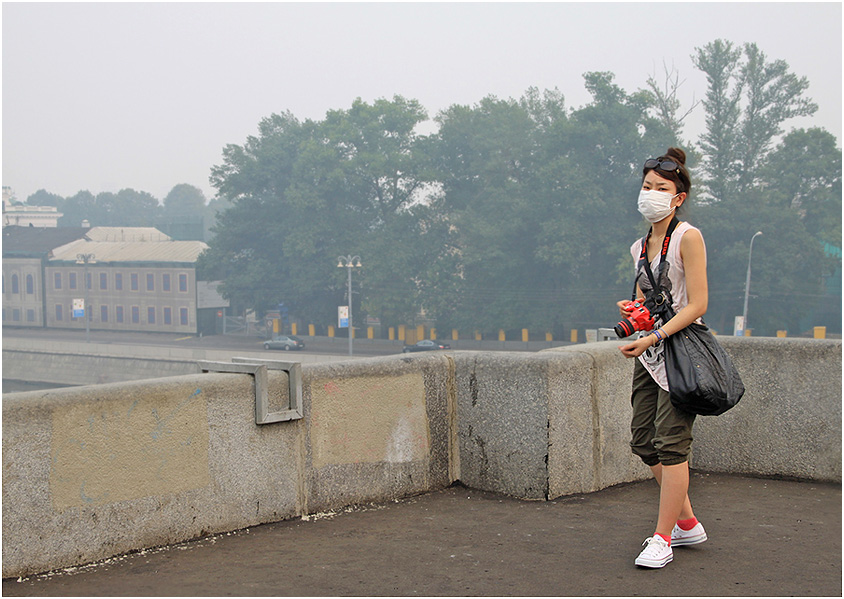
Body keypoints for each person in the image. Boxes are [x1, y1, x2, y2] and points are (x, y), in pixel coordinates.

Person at [617, 147, 709, 569]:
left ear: (679, 197)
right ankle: (687, 521)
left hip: (681, 350)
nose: (651, 194)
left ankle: (663, 538)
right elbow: (645, 302)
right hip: (650, 352)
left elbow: (698, 304)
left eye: (661, 188)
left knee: (672, 445)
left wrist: (654, 331)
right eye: (647, 186)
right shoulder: (639, 245)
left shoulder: (688, 237)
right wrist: (633, 315)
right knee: (642, 440)